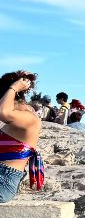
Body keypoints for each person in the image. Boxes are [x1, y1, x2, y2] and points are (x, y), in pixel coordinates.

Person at [0, 71, 42, 203]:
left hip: (4, 180)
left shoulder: (29, 118)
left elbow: (3, 112)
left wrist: (14, 87)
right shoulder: (19, 115)